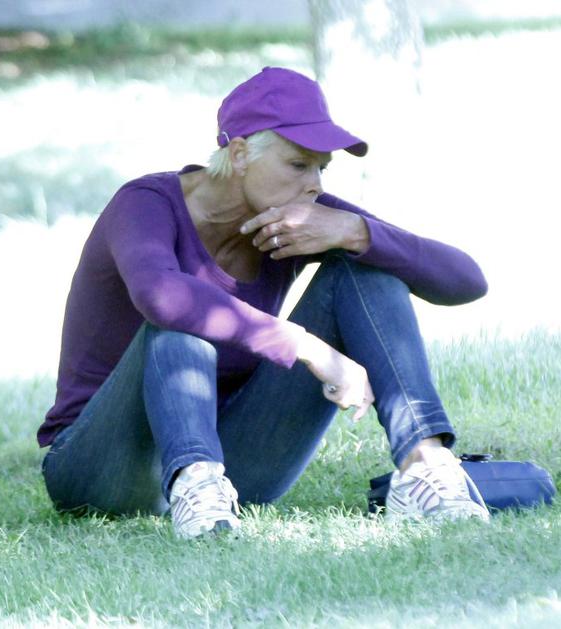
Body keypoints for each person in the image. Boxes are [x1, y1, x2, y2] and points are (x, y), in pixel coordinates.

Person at [39, 66, 490, 539]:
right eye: (298, 164)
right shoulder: (145, 203)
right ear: (239, 154)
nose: (315, 184)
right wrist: (306, 347)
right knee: (179, 325)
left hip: (234, 470)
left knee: (366, 267)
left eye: (322, 167)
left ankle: (424, 467)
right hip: (99, 468)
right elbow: (161, 296)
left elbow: (466, 281)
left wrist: (356, 232)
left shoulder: (301, 217)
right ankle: (194, 483)